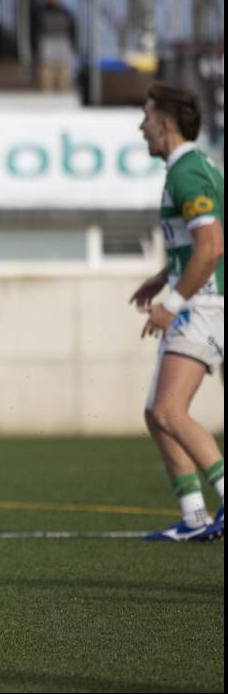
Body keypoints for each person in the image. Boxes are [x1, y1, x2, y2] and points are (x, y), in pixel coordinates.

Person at [130, 83, 225, 542]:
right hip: (199, 298)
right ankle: (195, 517)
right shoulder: (191, 167)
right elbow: (199, 243)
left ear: (164, 122)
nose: (141, 124)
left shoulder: (187, 172)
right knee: (157, 412)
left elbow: (212, 246)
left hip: (203, 305)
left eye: (146, 115)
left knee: (169, 410)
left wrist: (171, 303)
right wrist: (163, 275)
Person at [33, 0, 76, 92]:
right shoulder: (39, 12)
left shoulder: (66, 13)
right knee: (45, 88)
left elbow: (73, 34)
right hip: (45, 54)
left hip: (63, 54)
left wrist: (72, 48)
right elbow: (35, 33)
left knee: (64, 88)